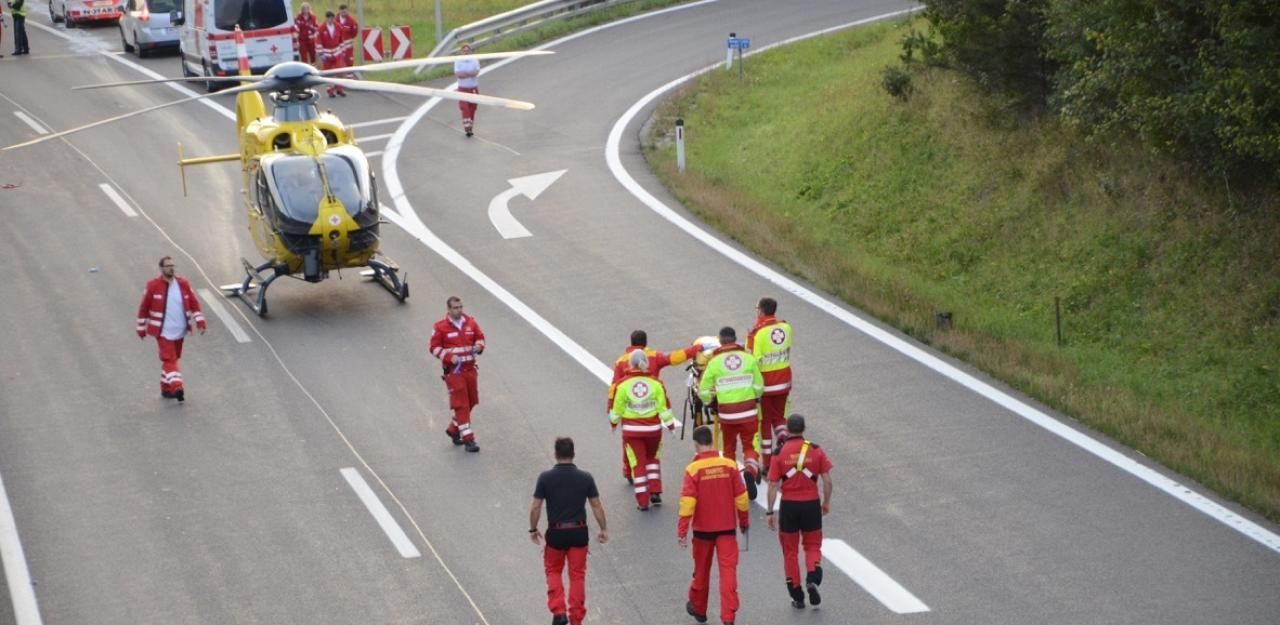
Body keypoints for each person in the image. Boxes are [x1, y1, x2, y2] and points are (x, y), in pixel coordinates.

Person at [607, 329, 705, 482]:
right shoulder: (653, 356)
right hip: (651, 411)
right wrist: (695, 349)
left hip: (630, 412)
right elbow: (675, 357)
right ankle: (653, 483)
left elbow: (614, 388)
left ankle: (629, 471)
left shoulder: (621, 361)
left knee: (629, 443)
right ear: (645, 343)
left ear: (631, 343)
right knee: (652, 448)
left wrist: (611, 411)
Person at [530, 437, 608, 625]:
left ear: (555, 454)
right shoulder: (585, 478)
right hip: (579, 532)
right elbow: (596, 506)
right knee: (577, 575)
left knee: (553, 571)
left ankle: (559, 612)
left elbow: (536, 507)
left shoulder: (545, 478)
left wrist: (533, 529)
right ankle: (576, 619)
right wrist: (603, 528)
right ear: (573, 454)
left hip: (556, 534)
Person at [678, 425, 749, 625]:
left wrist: (682, 531)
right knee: (728, 573)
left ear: (695, 444)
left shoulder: (692, 469)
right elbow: (742, 498)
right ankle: (728, 617)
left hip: (702, 532)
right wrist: (743, 521)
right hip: (727, 529)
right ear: (712, 441)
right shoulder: (730, 465)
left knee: (701, 572)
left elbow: (687, 503)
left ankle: (699, 610)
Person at [765, 414, 832, 609]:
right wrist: (825, 502)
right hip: (811, 505)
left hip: (789, 508)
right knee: (812, 546)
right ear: (804, 428)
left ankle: (797, 595)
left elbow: (772, 486)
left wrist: (770, 512)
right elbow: (827, 481)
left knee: (790, 552)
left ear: (787, 428)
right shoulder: (816, 450)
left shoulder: (779, 453)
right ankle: (812, 577)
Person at [698, 326, 764, 500]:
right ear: (736, 340)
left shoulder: (714, 362)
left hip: (727, 415)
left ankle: (732, 483)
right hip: (748, 411)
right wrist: (754, 398)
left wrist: (710, 402)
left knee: (729, 448)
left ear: (720, 341)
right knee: (750, 446)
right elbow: (759, 386)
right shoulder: (748, 359)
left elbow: (703, 390)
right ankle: (750, 470)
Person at [609, 351, 678, 510]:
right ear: (646, 363)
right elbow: (664, 409)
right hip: (653, 430)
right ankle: (655, 492)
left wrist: (613, 424)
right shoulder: (656, 383)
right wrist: (671, 426)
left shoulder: (623, 385)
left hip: (632, 433)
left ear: (630, 364)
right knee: (652, 459)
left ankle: (642, 501)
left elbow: (616, 411)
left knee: (638, 464)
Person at [135, 256, 206, 401]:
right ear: (161, 269)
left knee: (174, 359)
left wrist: (200, 322)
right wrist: (141, 327)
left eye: (173, 265)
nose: (171, 268)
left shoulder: (183, 284)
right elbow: (144, 308)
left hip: (180, 330)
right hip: (163, 332)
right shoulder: (153, 286)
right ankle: (176, 387)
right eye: (168, 266)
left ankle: (166, 388)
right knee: (169, 359)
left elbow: (194, 304)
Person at [429, 295, 486, 452]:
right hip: (454, 372)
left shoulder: (470, 322)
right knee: (461, 405)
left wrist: (479, 346)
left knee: (472, 401)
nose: (459, 310)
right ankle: (468, 439)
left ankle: (454, 428)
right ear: (448, 309)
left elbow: (480, 338)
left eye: (461, 307)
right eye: (455, 307)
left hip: (470, 369)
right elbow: (434, 348)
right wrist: (449, 357)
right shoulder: (440, 327)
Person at [747, 297, 792, 473]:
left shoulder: (758, 333)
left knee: (764, 422)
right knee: (780, 418)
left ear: (761, 311)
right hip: (784, 382)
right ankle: (785, 442)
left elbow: (753, 361)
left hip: (766, 385)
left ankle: (767, 462)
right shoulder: (786, 328)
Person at [315, 11, 348, 97]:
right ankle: (330, 91)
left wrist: (343, 51)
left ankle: (340, 89)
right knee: (328, 73)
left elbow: (341, 40)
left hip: (337, 53)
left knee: (340, 72)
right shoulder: (321, 29)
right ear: (326, 18)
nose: (331, 20)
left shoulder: (338, 27)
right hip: (326, 54)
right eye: (329, 18)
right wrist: (321, 54)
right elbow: (318, 42)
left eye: (332, 18)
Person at [453, 43, 481, 137]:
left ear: (471, 52)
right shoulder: (458, 61)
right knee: (464, 108)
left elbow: (476, 72)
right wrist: (469, 74)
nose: (466, 53)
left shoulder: (474, 60)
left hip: (473, 88)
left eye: (468, 51)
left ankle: (470, 127)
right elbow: (458, 74)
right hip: (462, 89)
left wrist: (465, 74)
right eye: (464, 51)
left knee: (472, 109)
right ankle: (467, 128)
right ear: (461, 52)